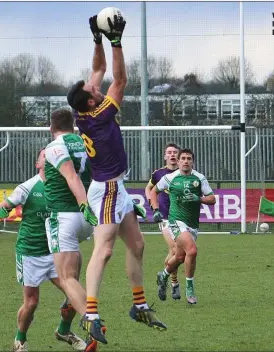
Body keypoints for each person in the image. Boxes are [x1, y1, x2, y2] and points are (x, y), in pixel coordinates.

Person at [66, 14, 166, 346]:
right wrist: (117, 41)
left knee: (137, 245)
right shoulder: (98, 114)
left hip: (115, 187)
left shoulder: (86, 107)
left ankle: (139, 305)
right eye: (94, 88)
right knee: (105, 249)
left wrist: (97, 37)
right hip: (107, 188)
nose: (97, 83)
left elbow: (99, 71)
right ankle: (90, 313)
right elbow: (120, 79)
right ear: (93, 100)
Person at [0, 148, 86, 352]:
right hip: (30, 252)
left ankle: (64, 330)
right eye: (45, 155)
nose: (51, 157)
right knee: (32, 302)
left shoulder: (64, 186)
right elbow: (3, 206)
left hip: (56, 252)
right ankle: (20, 340)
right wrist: (3, 210)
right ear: (38, 164)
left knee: (74, 294)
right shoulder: (27, 187)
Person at [44, 109, 98, 349]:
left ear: (51, 127)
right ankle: (64, 330)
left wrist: (83, 203)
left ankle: (92, 319)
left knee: (65, 278)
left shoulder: (55, 147)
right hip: (86, 221)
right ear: (74, 126)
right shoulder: (87, 143)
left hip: (65, 216)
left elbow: (72, 177)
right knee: (73, 282)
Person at [152, 148, 216, 304]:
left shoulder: (199, 178)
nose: (186, 161)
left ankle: (164, 275)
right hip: (175, 221)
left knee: (180, 257)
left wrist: (198, 198)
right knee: (192, 251)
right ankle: (190, 288)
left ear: (192, 161)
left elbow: (212, 199)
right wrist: (155, 210)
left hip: (192, 224)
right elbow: (154, 191)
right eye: (183, 158)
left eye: (189, 158)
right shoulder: (169, 178)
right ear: (179, 161)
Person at [145, 143, 181, 300]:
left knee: (176, 253)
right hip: (165, 217)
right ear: (165, 156)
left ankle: (164, 276)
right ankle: (174, 284)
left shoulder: (184, 173)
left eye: (175, 152)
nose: (172, 155)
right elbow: (149, 189)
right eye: (169, 152)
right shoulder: (158, 174)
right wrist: (154, 206)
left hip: (182, 217)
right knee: (174, 248)